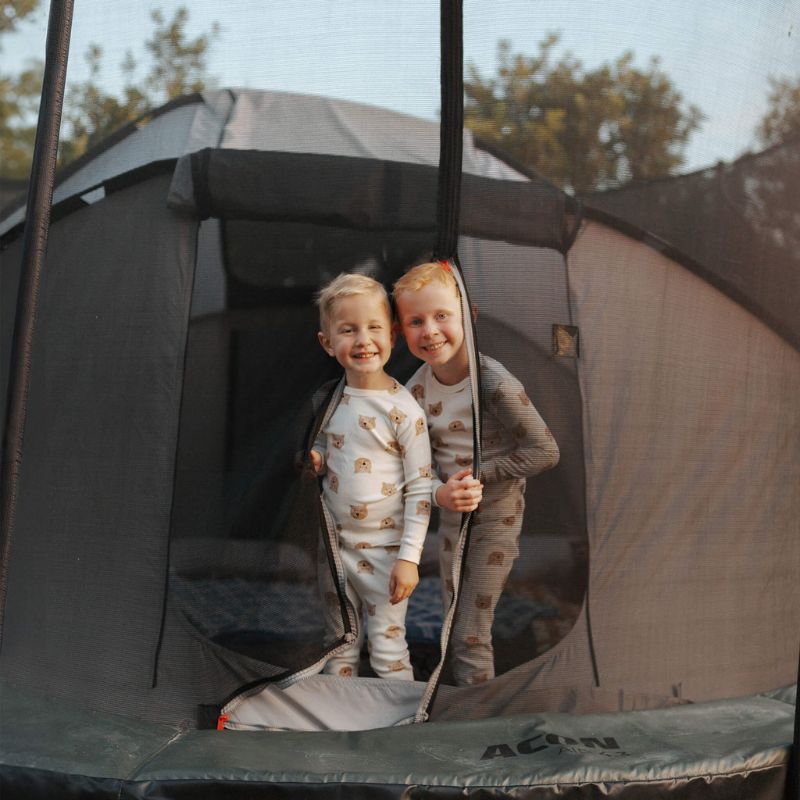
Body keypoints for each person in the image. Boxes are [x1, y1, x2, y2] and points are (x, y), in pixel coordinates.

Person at [393, 260, 559, 686]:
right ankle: (453, 703)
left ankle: (477, 724)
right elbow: (408, 462)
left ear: (470, 314)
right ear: (401, 329)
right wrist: (438, 492)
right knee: (452, 624)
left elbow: (545, 451)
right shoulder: (416, 386)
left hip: (494, 522)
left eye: (442, 316)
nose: (429, 331)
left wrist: (480, 474)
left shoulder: (492, 383)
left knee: (469, 633)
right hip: (453, 518)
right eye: (416, 321)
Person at [310, 273, 432, 680]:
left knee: (388, 644)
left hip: (386, 551)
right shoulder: (329, 400)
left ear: (392, 336)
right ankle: (342, 721)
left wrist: (409, 559)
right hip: (333, 544)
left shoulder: (403, 410)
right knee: (340, 642)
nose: (363, 340)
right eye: (348, 330)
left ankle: (398, 726)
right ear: (328, 344)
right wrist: (317, 456)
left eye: (374, 327)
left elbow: (420, 488)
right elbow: (328, 445)